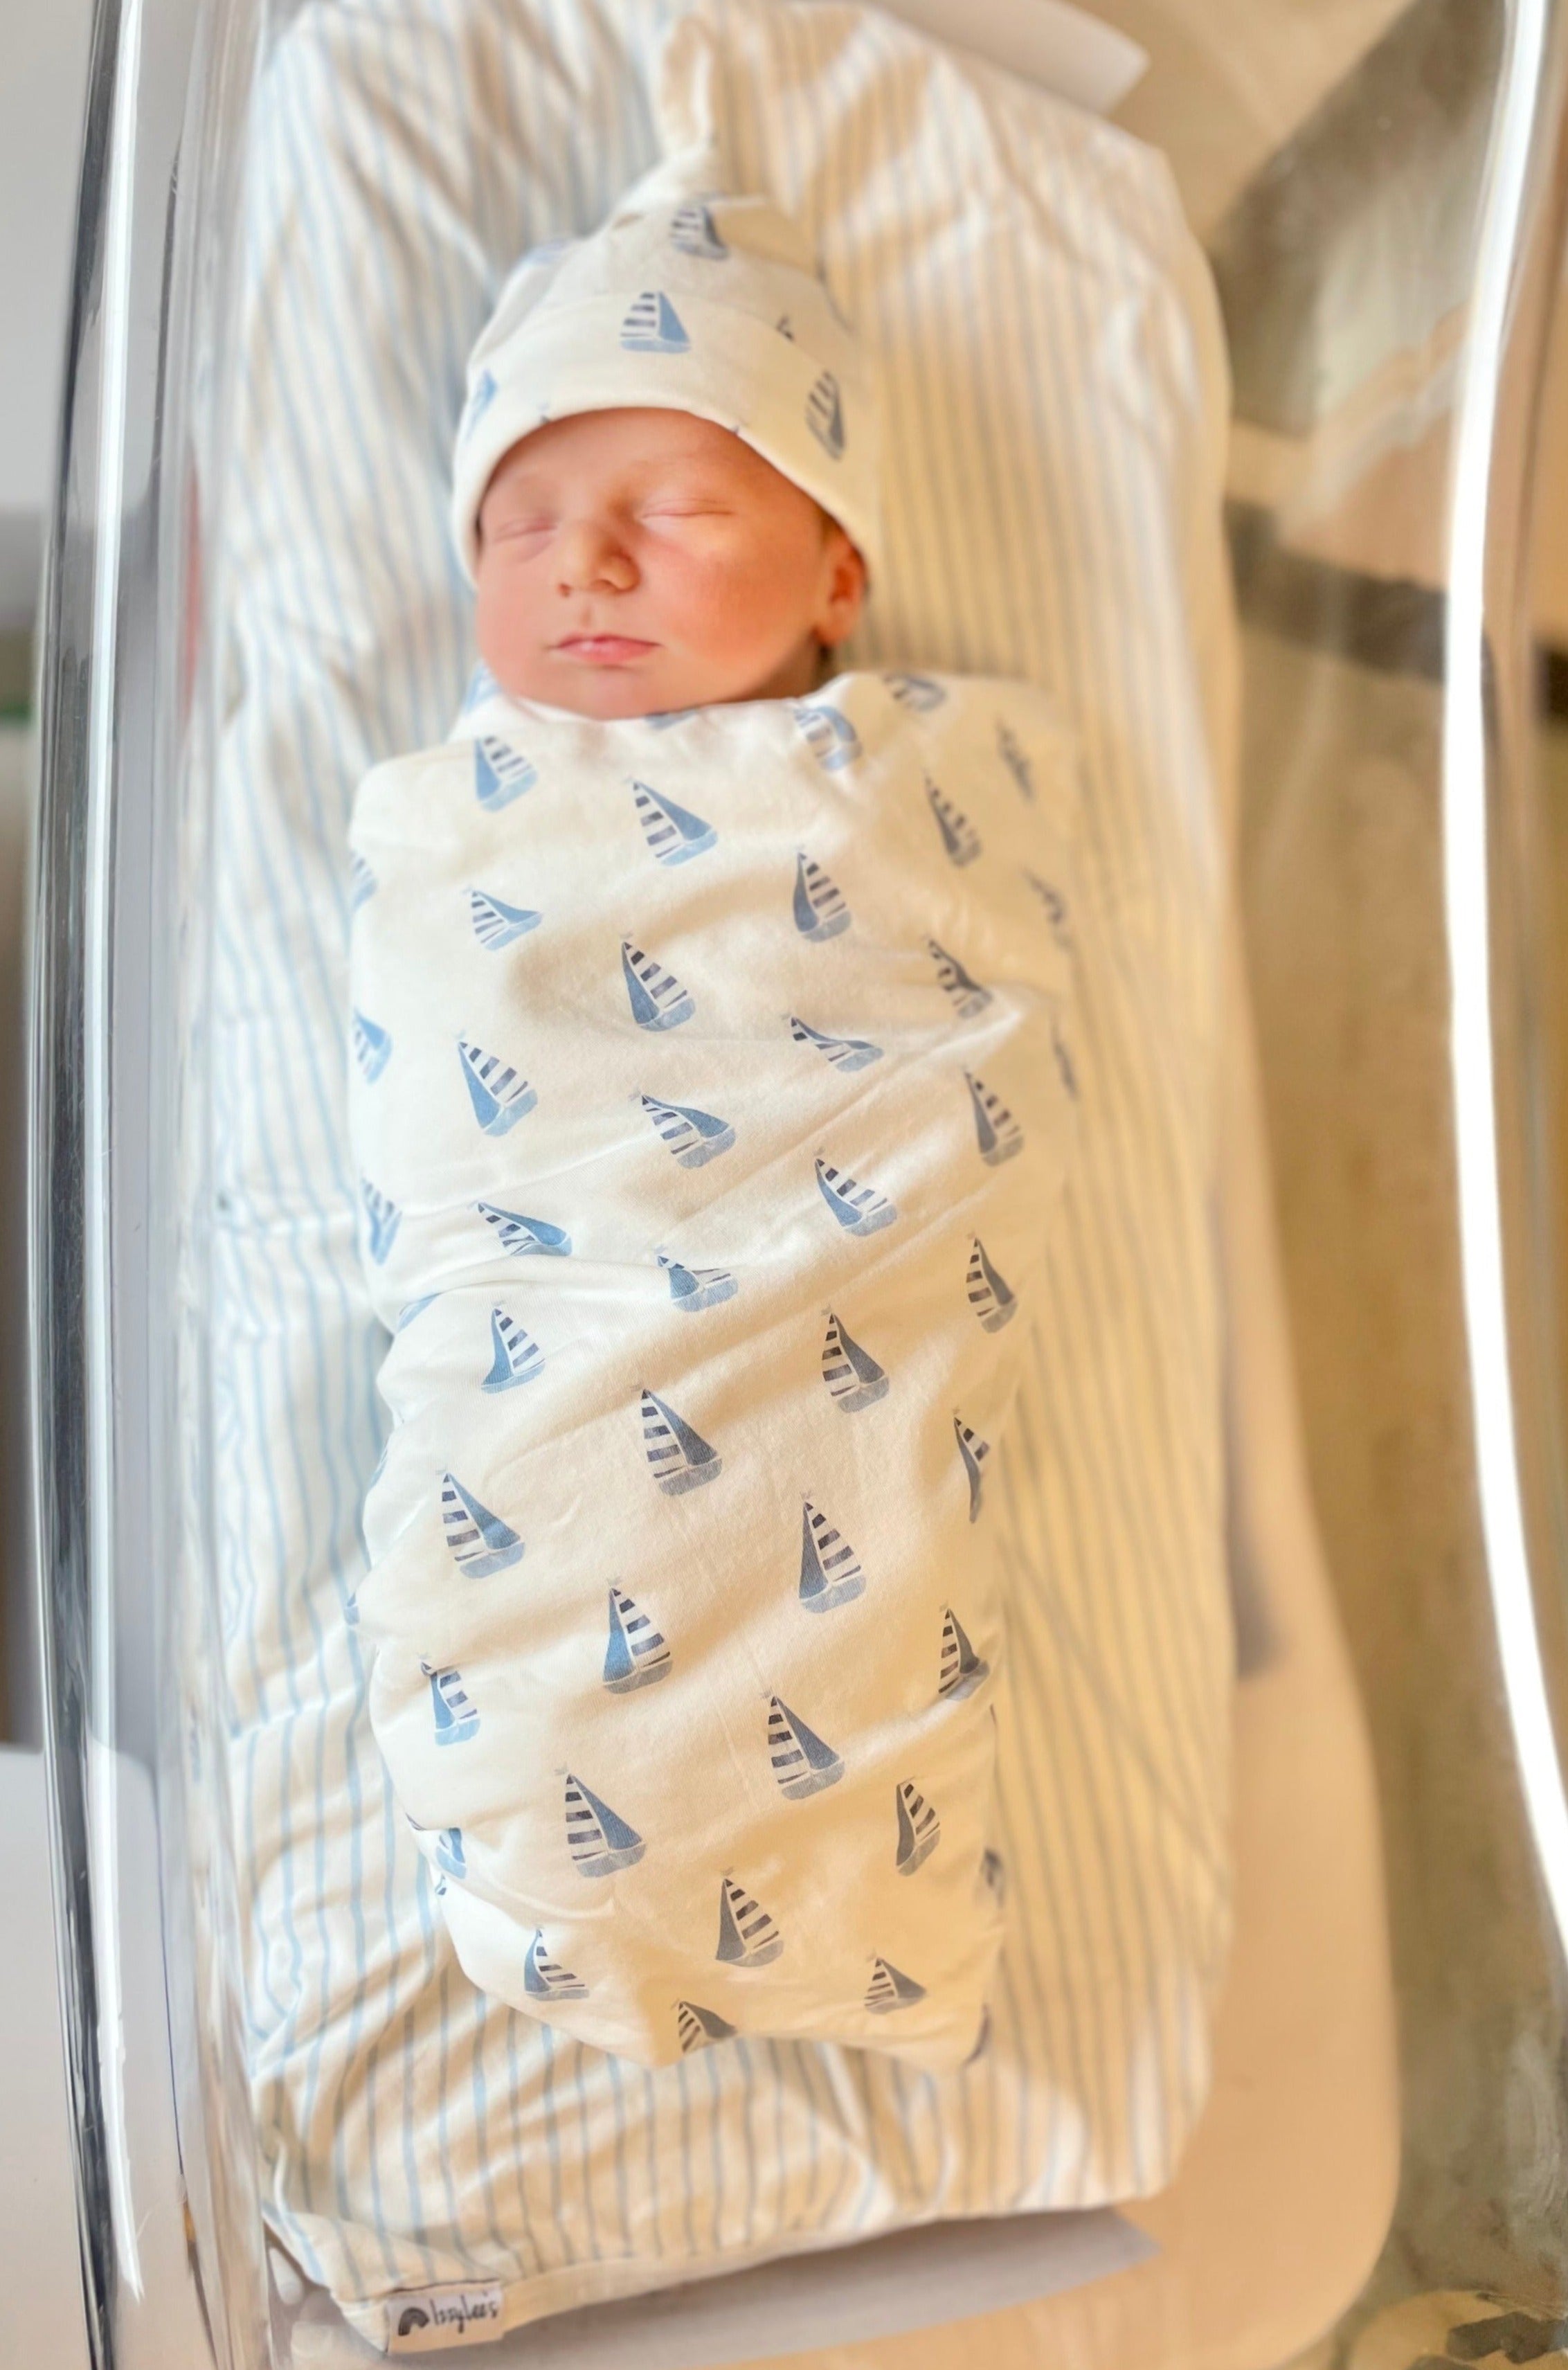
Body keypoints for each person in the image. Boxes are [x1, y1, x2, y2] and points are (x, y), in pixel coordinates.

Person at [346, 158, 1080, 2072]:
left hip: (831, 1346)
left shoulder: (913, 793)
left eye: (672, 509)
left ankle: (856, 1899)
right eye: (516, 526)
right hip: (559, 1360)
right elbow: (449, 1113)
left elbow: (988, 1047)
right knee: (541, 1619)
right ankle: (559, 1841)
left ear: (840, 572)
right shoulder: (464, 821)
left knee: (866, 1567)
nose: (582, 560)